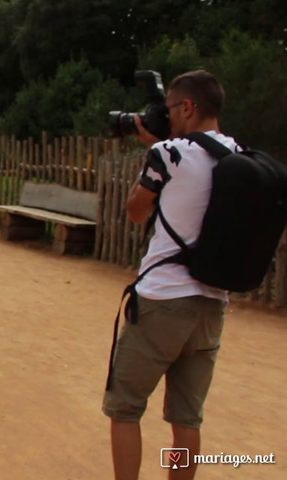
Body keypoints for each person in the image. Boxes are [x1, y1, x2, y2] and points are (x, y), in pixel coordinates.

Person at [103, 70, 237, 479]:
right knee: (186, 420)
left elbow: (137, 210)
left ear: (188, 107)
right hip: (211, 307)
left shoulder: (170, 153)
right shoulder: (239, 155)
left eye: (173, 110)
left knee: (125, 409)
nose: (170, 118)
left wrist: (156, 148)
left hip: (163, 302)